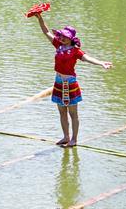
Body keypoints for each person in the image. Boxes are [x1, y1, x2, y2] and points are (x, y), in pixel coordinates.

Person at [31, 12, 112, 147]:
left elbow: (87, 58)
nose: (62, 38)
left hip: (70, 83)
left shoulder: (76, 51)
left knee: (73, 113)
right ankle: (65, 137)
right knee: (62, 111)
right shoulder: (58, 45)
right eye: (61, 36)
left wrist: (101, 63)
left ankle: (74, 139)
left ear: (71, 39)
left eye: (65, 37)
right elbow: (46, 31)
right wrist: (40, 18)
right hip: (58, 82)